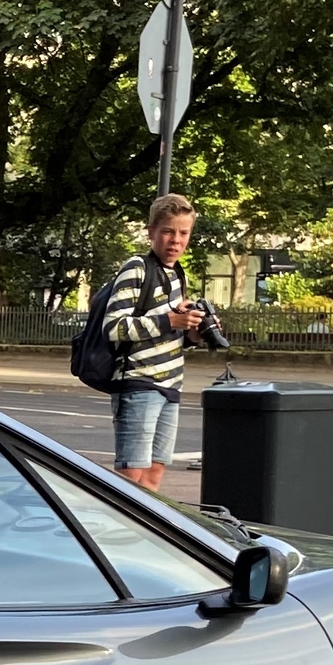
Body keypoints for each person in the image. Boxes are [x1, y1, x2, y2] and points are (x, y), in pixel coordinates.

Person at [100, 192, 206, 493]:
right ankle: (115, 535)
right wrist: (169, 321)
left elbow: (168, 335)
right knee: (130, 478)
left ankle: (142, 536)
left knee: (153, 476)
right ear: (151, 233)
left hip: (171, 385)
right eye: (168, 232)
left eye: (183, 233)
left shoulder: (176, 274)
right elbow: (115, 327)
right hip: (138, 383)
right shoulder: (136, 268)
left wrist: (193, 335)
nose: (175, 240)